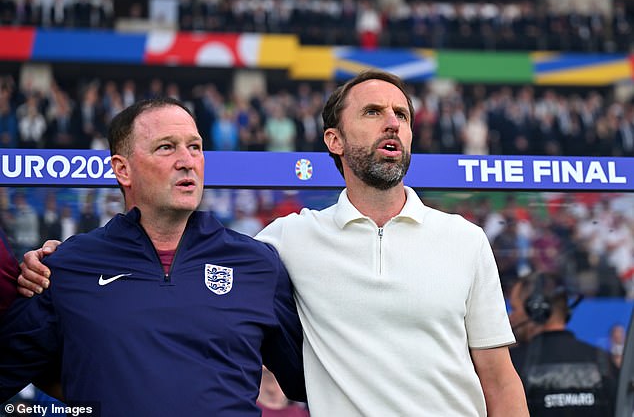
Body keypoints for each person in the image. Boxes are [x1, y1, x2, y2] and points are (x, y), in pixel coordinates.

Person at [18, 71, 526, 416]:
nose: (393, 122)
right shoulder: (285, 241)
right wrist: (50, 262)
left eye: (402, 114)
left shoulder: (465, 239)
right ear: (334, 141)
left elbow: (500, 381)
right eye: (373, 112)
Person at [0, 97, 305, 416]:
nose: (187, 161)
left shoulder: (257, 264)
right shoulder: (66, 266)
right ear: (122, 169)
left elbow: (309, 379)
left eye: (195, 147)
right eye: (166, 147)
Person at [508, 272, 618, 416]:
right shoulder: (604, 361)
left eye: (514, 308)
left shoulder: (512, 365)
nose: (510, 317)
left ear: (536, 309)